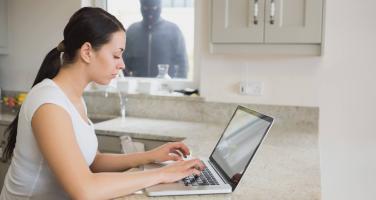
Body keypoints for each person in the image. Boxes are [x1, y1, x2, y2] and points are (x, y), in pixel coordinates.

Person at [0, 7, 203, 200]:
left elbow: (94, 162)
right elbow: (85, 190)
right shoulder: (49, 105)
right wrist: (162, 175)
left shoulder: (73, 97)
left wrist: (150, 156)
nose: (122, 64)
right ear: (87, 52)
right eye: (116, 54)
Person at [123, 0, 188, 78]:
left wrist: (178, 85)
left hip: (165, 86)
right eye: (146, 8)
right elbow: (122, 61)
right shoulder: (132, 31)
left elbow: (183, 63)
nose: (150, 13)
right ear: (141, 8)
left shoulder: (173, 30)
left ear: (160, 8)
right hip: (137, 86)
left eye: (154, 8)